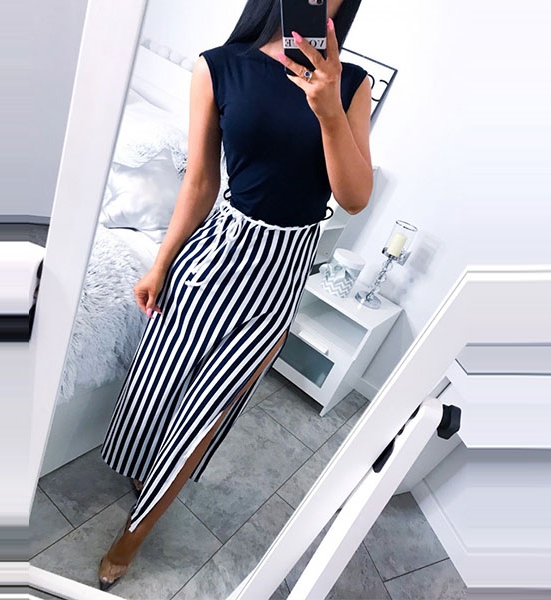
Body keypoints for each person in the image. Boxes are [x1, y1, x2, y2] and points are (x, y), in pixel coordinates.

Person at [97, 0, 372, 590]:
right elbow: (200, 183)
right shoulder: (219, 66)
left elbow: (353, 198)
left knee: (209, 413)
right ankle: (143, 473)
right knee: (159, 386)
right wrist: (160, 263)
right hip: (214, 256)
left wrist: (328, 111)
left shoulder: (351, 84)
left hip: (281, 275)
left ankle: (134, 534)